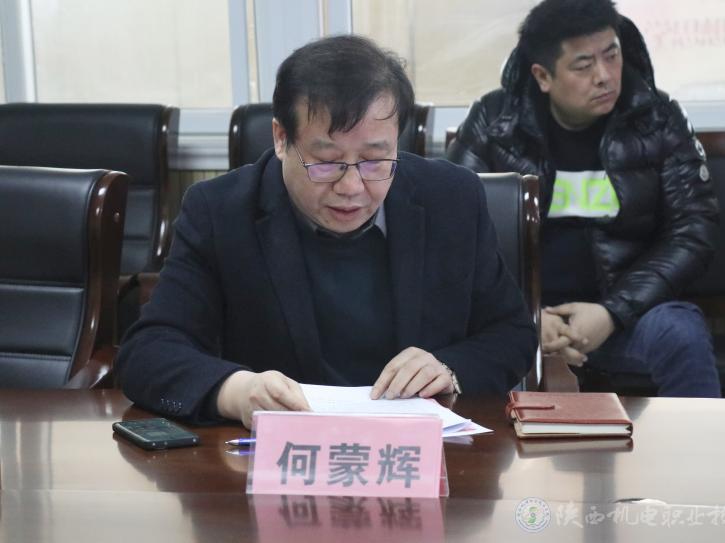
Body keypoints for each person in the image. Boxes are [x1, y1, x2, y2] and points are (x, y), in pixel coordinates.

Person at [117, 35, 536, 428]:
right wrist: (235, 391)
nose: (351, 187)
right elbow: (148, 352)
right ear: (281, 138)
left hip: (424, 455)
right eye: (327, 162)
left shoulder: (452, 198)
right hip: (280, 457)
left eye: (375, 160)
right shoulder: (220, 211)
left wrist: (449, 369)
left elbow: (511, 334)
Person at [447, 0, 721, 397]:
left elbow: (692, 230)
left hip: (624, 316)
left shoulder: (658, 119)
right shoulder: (494, 123)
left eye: (612, 55)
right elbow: (452, 231)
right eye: (583, 65)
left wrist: (613, 312)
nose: (605, 76)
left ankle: (699, 441)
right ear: (543, 76)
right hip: (516, 318)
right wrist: (524, 316)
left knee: (681, 333)